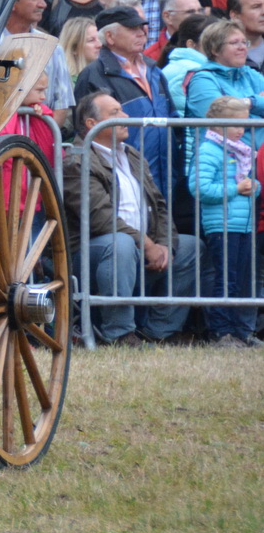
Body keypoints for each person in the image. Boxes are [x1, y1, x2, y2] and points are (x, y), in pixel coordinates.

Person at [63, 92, 197, 346]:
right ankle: (119, 332)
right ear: (92, 124)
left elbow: (158, 204)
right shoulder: (77, 161)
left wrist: (165, 244)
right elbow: (99, 219)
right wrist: (148, 245)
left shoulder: (132, 154)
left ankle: (160, 331)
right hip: (90, 254)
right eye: (115, 113)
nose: (126, 117)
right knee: (119, 244)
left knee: (191, 248)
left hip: (136, 247)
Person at [73, 6, 175, 189]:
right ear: (110, 37)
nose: (141, 33)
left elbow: (173, 119)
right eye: (132, 29)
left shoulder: (154, 71)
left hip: (165, 176)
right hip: (120, 177)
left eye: (141, 28)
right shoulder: (93, 75)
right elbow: (84, 131)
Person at [191, 96, 260, 346]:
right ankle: (221, 331)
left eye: (244, 124)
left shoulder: (241, 150)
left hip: (243, 224)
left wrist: (256, 187)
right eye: (235, 124)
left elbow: (250, 183)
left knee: (241, 280)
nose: (241, 130)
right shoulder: (209, 150)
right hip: (221, 225)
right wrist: (235, 188)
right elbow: (199, 188)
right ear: (217, 124)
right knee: (226, 279)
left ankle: (240, 333)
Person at [4, 0, 74, 125]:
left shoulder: (53, 48)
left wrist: (44, 138)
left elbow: (61, 105)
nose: (43, 4)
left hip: (38, 141)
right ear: (12, 3)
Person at [145, 0, 202, 64]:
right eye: (190, 12)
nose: (199, 16)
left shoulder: (212, 46)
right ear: (168, 17)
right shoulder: (150, 57)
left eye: (200, 10)